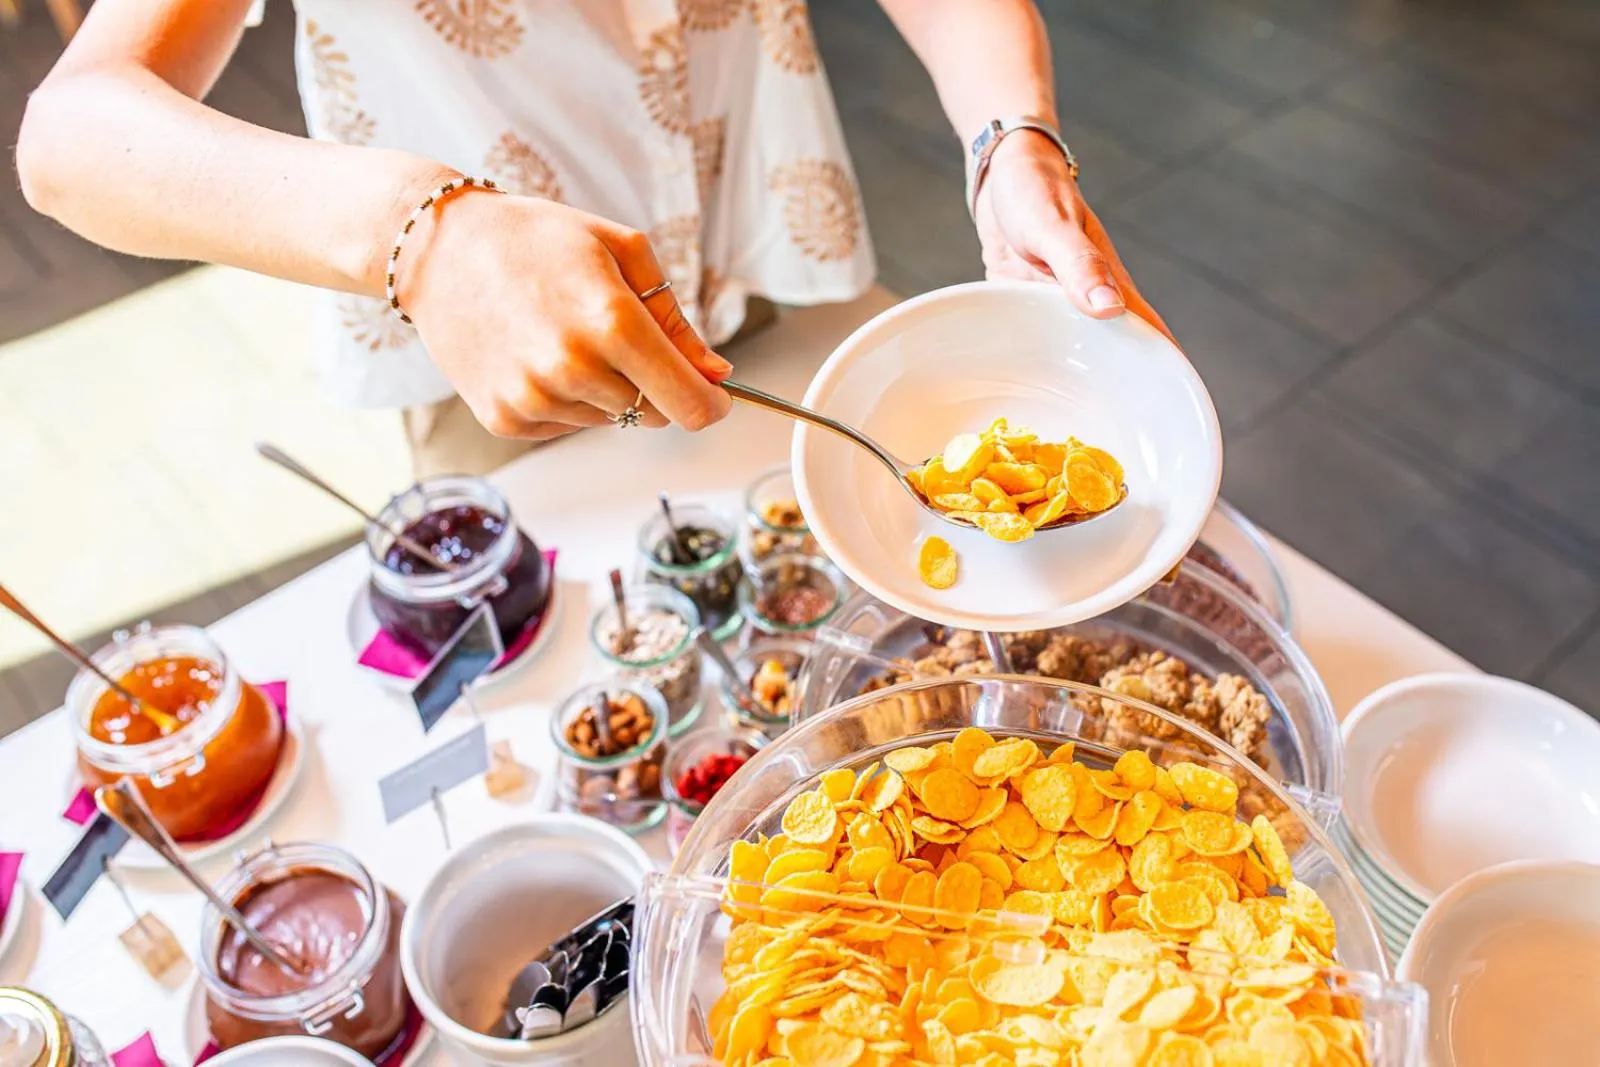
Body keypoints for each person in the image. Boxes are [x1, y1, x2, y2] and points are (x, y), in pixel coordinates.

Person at [17, 0, 1168, 477]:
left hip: (770, 260)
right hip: (500, 370)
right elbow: (71, 138)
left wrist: (1008, 138)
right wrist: (418, 237)